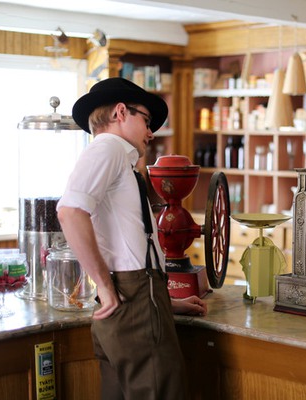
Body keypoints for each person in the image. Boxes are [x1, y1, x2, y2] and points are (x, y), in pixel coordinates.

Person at [57, 77, 207, 400]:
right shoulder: (109, 148)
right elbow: (70, 212)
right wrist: (107, 287)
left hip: (139, 304)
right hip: (134, 309)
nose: (150, 133)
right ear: (121, 112)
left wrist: (167, 303)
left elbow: (129, 248)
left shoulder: (117, 160)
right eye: (146, 121)